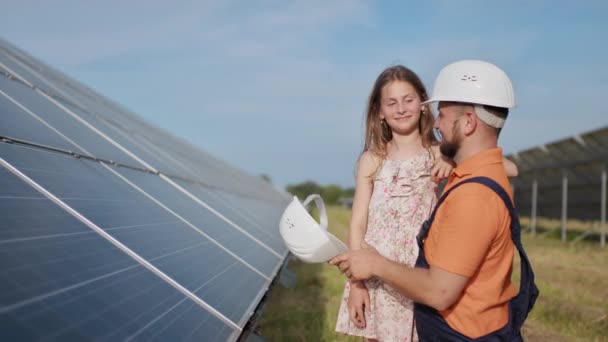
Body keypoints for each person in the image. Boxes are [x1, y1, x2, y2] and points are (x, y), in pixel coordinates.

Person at [331, 60, 538, 341]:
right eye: (391, 103)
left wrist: (448, 157)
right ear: (379, 112)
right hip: (377, 274)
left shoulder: (441, 152)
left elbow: (507, 167)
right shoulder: (372, 160)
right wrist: (358, 284)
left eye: (408, 100)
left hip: (418, 274)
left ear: (423, 104)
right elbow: (357, 226)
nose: (401, 108)